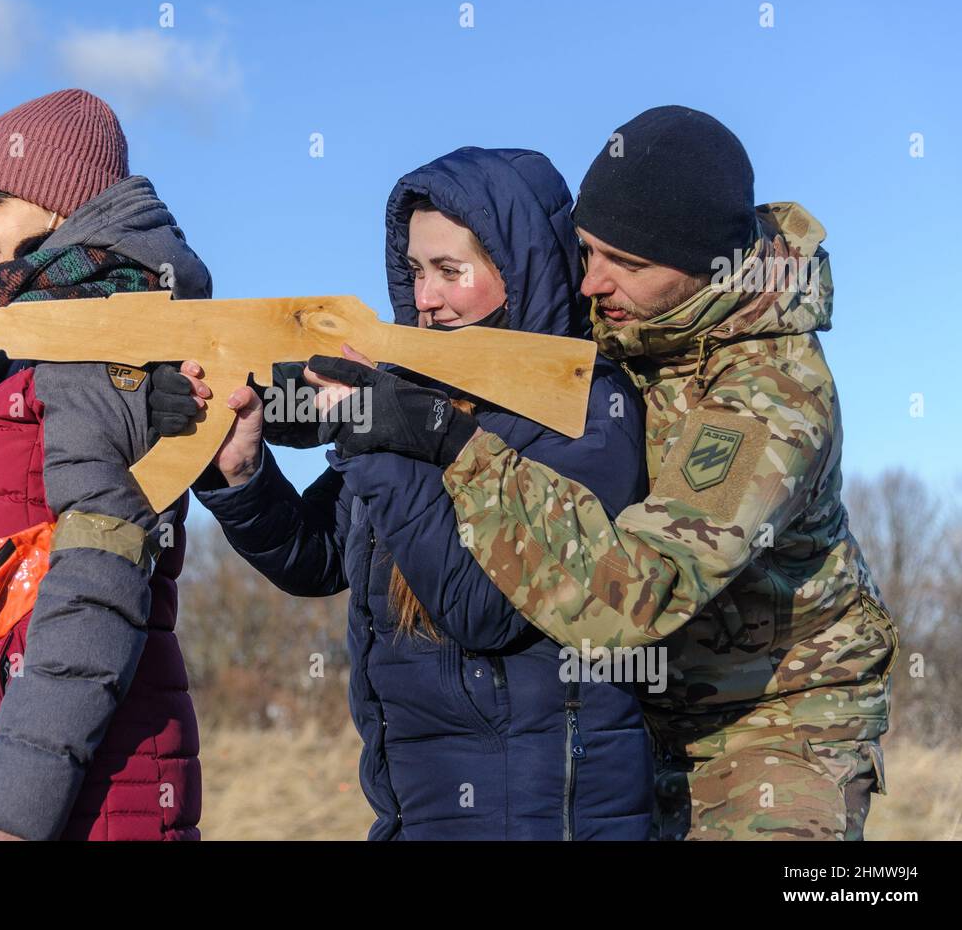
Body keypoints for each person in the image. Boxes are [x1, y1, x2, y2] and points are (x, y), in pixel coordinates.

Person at [308, 107, 899, 840]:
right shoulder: (624, 322)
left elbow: (633, 595)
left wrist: (447, 442)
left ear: (704, 267)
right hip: (638, 716)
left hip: (771, 720)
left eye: (628, 263)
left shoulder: (769, 400)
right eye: (587, 251)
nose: (591, 282)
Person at [151, 147, 655, 839]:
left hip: (543, 817)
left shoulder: (589, 409)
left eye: (451, 270)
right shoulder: (417, 403)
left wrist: (370, 426)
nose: (424, 298)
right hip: (415, 813)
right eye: (416, 271)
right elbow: (322, 556)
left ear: (519, 270)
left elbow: (481, 610)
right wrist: (239, 472)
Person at [0, 89, 210, 840]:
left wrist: (10, 815)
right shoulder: (32, 331)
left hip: (89, 793)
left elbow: (101, 572)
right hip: (47, 770)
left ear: (56, 197)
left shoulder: (91, 325)